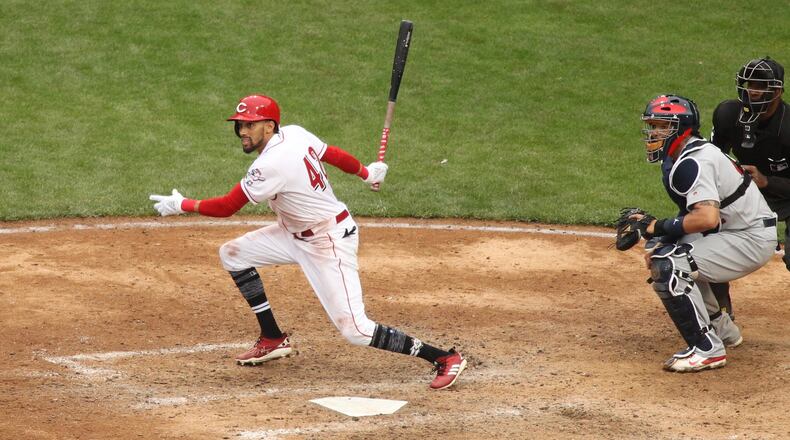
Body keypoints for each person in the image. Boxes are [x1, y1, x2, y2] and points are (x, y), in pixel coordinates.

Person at [149, 94, 467, 390]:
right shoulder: (296, 133)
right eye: (240, 125)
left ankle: (443, 357)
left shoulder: (269, 164)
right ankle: (273, 338)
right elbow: (335, 155)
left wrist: (183, 205)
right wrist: (365, 173)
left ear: (269, 125)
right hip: (292, 234)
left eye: (249, 125)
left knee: (355, 329)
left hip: (326, 241)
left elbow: (226, 207)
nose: (243, 131)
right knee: (233, 254)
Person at [630, 94, 777, 372]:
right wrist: (662, 235)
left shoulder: (693, 162)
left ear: (681, 128)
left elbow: (706, 218)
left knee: (669, 263)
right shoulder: (689, 155)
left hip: (749, 238)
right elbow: (696, 216)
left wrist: (657, 227)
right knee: (666, 250)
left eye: (661, 126)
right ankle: (723, 330)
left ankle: (707, 348)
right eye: (652, 126)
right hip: (737, 231)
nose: (653, 133)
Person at [709, 57, 790, 323]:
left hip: (785, 192)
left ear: (777, 91)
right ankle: (721, 311)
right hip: (744, 194)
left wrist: (767, 181)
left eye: (761, 86)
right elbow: (710, 157)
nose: (753, 91)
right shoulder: (727, 114)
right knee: (706, 232)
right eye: (749, 84)